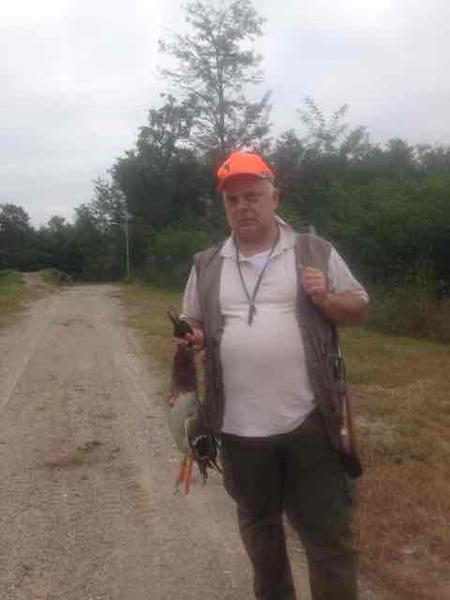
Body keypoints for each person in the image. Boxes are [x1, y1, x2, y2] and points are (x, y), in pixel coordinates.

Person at [181, 151, 369, 600]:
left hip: (311, 422)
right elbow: (193, 320)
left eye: (253, 196)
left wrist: (326, 299)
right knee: (260, 534)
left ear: (274, 198)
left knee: (328, 539)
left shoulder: (314, 251)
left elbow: (360, 309)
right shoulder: (207, 263)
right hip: (236, 428)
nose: (243, 207)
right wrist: (193, 335)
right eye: (232, 201)